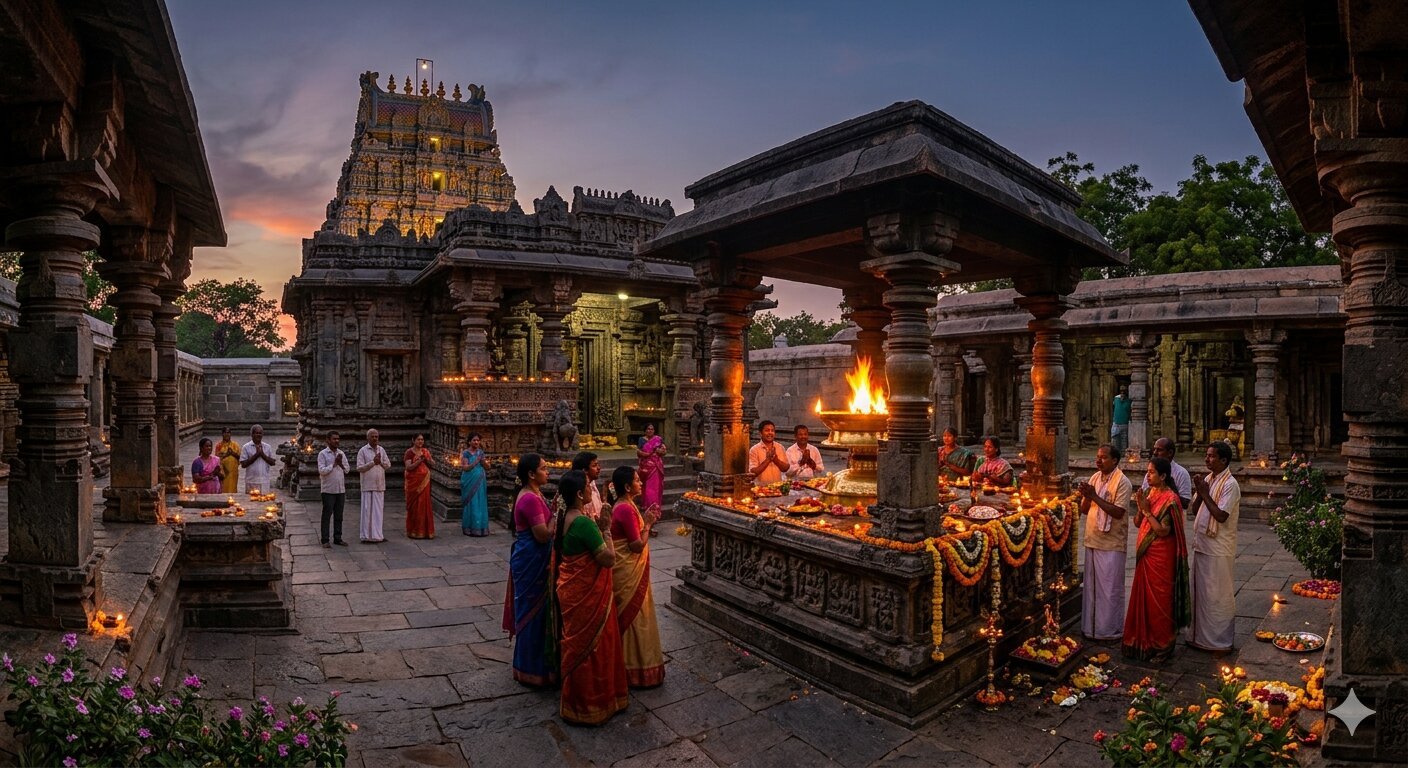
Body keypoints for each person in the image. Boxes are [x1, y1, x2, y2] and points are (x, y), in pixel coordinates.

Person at [552, 469, 628, 724]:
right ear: (578, 493)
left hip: (572, 590)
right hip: (587, 594)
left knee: (578, 646)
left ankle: (576, 702)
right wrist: (605, 529)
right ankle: (594, 702)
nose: (590, 488)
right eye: (587, 486)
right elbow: (608, 559)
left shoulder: (565, 517)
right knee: (595, 646)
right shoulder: (583, 522)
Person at [1122, 458, 1191, 662]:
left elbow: (1162, 531)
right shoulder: (1150, 494)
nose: (1147, 475)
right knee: (1144, 599)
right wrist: (1140, 506)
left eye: (1151, 472)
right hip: (1146, 556)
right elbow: (1137, 523)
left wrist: (1146, 510)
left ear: (1163, 476)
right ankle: (1143, 642)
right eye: (1147, 472)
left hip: (1162, 557)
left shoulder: (1171, 499)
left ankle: (1163, 646)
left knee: (1160, 601)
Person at [502, 454, 556, 687]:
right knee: (532, 613)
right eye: (544, 469)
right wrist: (559, 514)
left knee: (537, 612)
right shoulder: (531, 499)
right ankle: (531, 668)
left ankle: (532, 666)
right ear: (531, 474)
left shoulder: (534, 494)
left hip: (531, 557)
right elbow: (543, 534)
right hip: (532, 557)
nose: (548, 472)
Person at [607, 465, 664, 688]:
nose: (641, 483)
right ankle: (634, 668)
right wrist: (648, 524)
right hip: (627, 571)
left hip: (629, 570)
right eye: (637, 481)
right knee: (636, 617)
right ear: (628, 487)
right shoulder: (624, 509)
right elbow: (636, 545)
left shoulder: (626, 505)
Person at [1188, 441, 1241, 653]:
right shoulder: (1208, 479)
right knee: (1201, 593)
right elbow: (1193, 510)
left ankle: (1219, 642)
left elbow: (1220, 515)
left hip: (1219, 548)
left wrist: (1205, 492)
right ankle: (1200, 637)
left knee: (1218, 595)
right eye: (1207, 455)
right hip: (1202, 544)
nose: (1207, 459)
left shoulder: (1231, 484)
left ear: (1224, 460)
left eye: (1211, 456)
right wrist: (1200, 492)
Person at [1077, 444, 1131, 641]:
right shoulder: (1095, 477)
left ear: (1115, 460)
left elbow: (1118, 512)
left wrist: (1093, 496)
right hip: (1093, 539)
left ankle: (1109, 631)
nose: (1098, 460)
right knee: (1091, 589)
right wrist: (1086, 496)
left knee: (1109, 589)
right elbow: (1085, 509)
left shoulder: (1123, 482)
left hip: (1112, 543)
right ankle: (1090, 629)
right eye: (1097, 456)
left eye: (1103, 457)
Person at [356, 429, 390, 543]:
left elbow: (388, 465)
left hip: (379, 485)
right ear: (368, 438)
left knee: (378, 512)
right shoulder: (363, 451)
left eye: (376, 436)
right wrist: (372, 463)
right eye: (373, 436)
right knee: (366, 511)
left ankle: (378, 535)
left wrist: (379, 462)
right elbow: (359, 468)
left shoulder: (381, 449)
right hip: (367, 485)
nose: (375, 438)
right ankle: (365, 536)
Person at [1140, 437, 1192, 509]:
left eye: (1159, 450)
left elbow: (1185, 504)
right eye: (1154, 449)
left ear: (1170, 453)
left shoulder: (1181, 473)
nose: (1155, 453)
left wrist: (1170, 485)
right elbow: (1144, 497)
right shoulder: (1150, 473)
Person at [317, 431, 348, 547]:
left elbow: (347, 470)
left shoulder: (341, 453)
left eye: (338, 439)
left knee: (339, 516)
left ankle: (338, 538)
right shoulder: (323, 454)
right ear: (328, 440)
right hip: (328, 490)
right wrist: (334, 464)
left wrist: (341, 464)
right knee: (327, 515)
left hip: (340, 490)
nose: (337, 441)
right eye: (334, 439)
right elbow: (322, 470)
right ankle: (325, 539)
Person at [404, 434, 435, 540]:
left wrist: (427, 459)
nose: (420, 441)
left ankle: (426, 531)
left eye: (422, 440)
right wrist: (419, 461)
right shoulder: (409, 452)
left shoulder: (426, 451)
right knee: (415, 507)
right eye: (418, 439)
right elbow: (408, 467)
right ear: (413, 440)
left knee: (424, 505)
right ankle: (414, 531)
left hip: (425, 483)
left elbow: (432, 463)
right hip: (413, 484)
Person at [459, 434, 489, 537]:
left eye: (478, 440)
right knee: (471, 503)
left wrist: (484, 462)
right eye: (474, 440)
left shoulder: (480, 452)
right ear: (469, 442)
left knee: (480, 501)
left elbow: (487, 467)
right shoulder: (465, 453)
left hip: (480, 480)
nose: (476, 442)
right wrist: (475, 462)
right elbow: (465, 468)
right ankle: (469, 527)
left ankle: (480, 527)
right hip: (469, 480)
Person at [748, 420, 789, 485]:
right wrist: (768, 460)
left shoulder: (780, 447)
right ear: (760, 433)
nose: (770, 433)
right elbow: (753, 472)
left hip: (778, 488)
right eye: (767, 430)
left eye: (772, 430)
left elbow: (785, 468)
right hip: (760, 489)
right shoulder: (754, 450)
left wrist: (776, 460)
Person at [239, 424, 277, 493]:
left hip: (264, 481)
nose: (258, 435)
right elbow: (243, 464)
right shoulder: (246, 447)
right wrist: (256, 455)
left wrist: (262, 454)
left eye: (260, 433)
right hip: (251, 481)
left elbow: (273, 463)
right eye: (256, 433)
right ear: (252, 434)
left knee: (265, 502)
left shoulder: (267, 447)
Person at [637, 425, 666, 512]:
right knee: (644, 487)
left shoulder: (658, 439)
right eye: (648, 429)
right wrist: (646, 454)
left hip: (655, 467)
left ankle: (653, 510)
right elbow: (638, 452)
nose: (650, 431)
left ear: (654, 431)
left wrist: (660, 451)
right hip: (645, 467)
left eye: (652, 429)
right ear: (645, 431)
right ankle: (645, 505)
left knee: (653, 488)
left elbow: (664, 451)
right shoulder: (641, 440)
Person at [573, 451, 604, 519]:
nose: (599, 468)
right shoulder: (579, 490)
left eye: (598, 465)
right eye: (594, 465)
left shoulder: (592, 484)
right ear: (585, 471)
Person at [216, 427, 241, 493]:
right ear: (222, 434)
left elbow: (240, 458)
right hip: (223, 472)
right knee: (223, 489)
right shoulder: (219, 445)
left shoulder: (235, 445)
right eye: (225, 432)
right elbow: (217, 459)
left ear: (230, 434)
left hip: (233, 472)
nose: (227, 434)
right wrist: (226, 454)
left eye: (228, 432)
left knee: (233, 489)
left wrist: (232, 453)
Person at [1111, 385, 1131, 455]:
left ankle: (1122, 453)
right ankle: (1115, 454)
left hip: (1124, 423)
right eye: (1121, 391)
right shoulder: (1116, 399)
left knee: (1124, 440)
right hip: (1116, 423)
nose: (1122, 393)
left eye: (1124, 391)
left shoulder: (1129, 400)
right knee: (1115, 439)